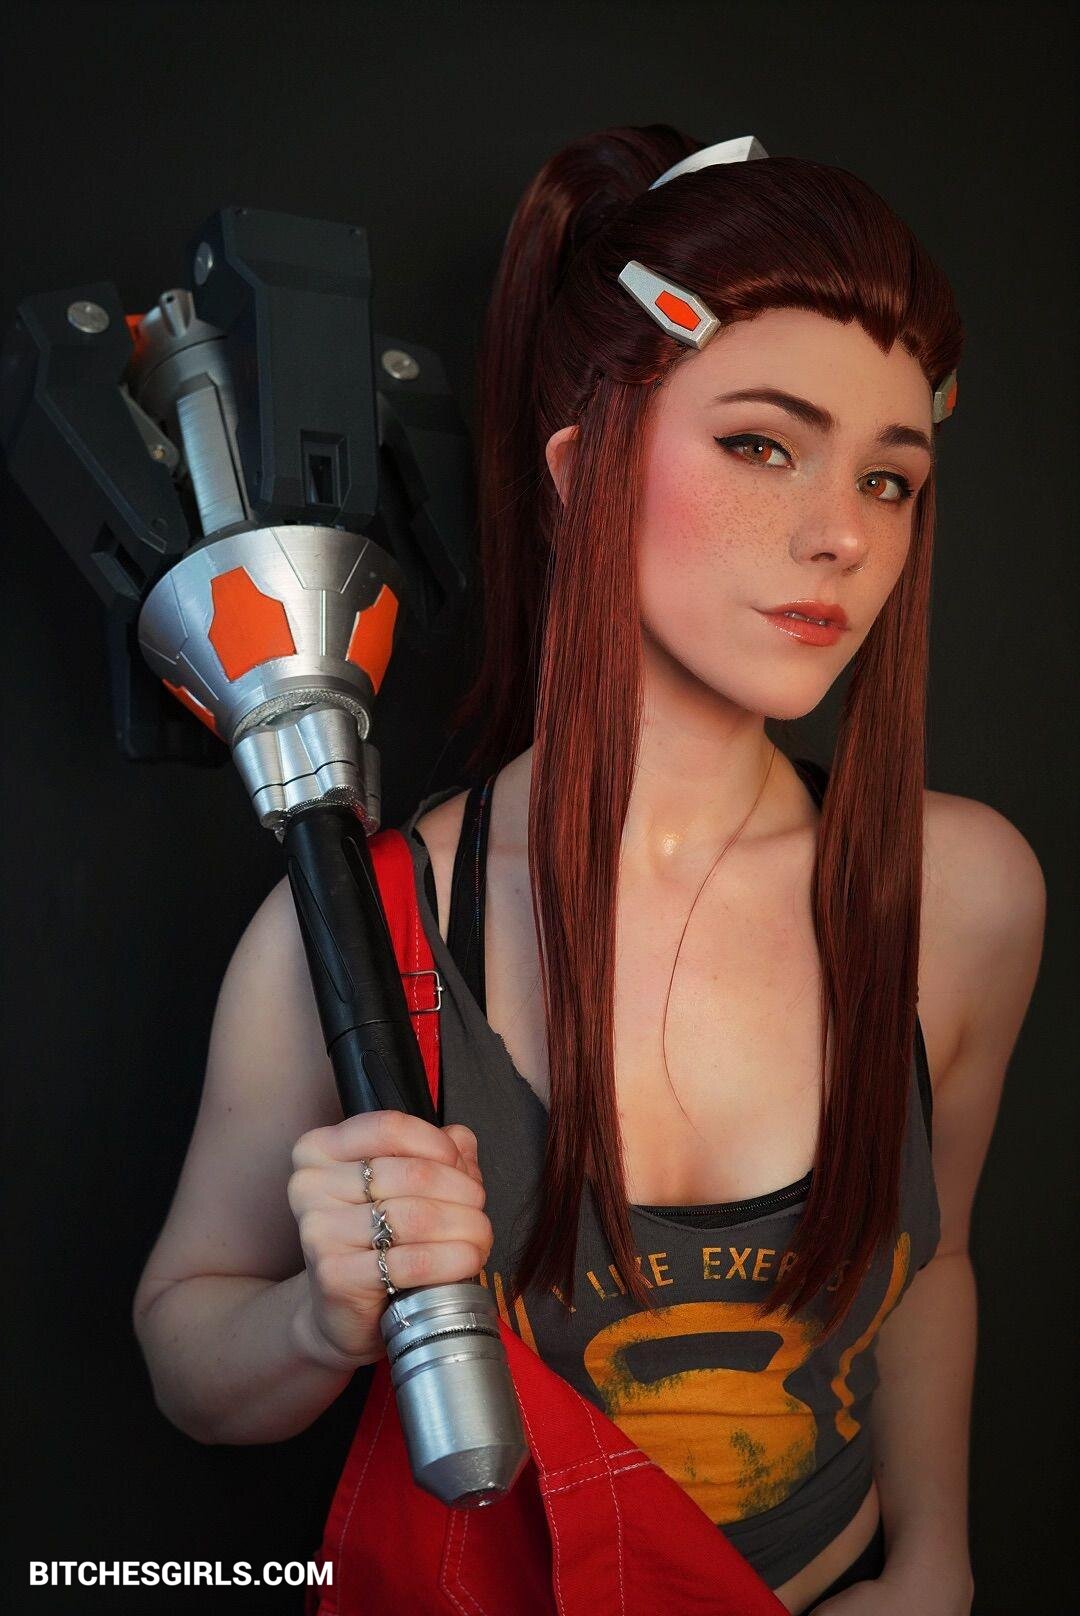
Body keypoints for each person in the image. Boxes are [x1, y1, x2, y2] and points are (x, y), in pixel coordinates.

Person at [132, 126, 1045, 1614]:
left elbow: (931, 1266)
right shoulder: (362, 931)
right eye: (764, 445)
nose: (841, 535)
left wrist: (934, 1558)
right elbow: (187, 1359)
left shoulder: (964, 896)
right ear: (582, 466)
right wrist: (318, 1316)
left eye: (891, 479)